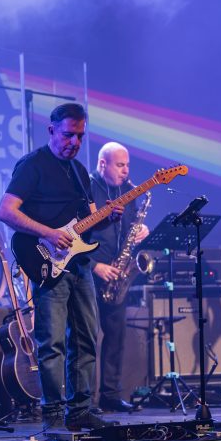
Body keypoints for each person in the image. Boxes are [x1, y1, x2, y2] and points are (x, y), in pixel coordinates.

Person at [0, 103, 124, 431]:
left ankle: (80, 410)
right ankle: (53, 416)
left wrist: (107, 217)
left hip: (80, 264)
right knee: (51, 343)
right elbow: (6, 211)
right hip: (47, 261)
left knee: (86, 338)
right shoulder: (33, 165)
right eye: (68, 135)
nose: (75, 142)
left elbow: (89, 221)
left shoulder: (80, 172)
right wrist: (48, 233)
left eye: (80, 136)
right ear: (52, 130)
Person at [89, 142, 149, 412]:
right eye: (120, 165)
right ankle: (84, 400)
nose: (126, 171)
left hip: (117, 273)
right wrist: (95, 266)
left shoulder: (127, 191)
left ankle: (110, 395)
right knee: (87, 339)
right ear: (103, 164)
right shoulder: (87, 188)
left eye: (128, 165)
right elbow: (73, 237)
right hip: (90, 272)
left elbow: (129, 227)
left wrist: (141, 230)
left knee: (116, 337)